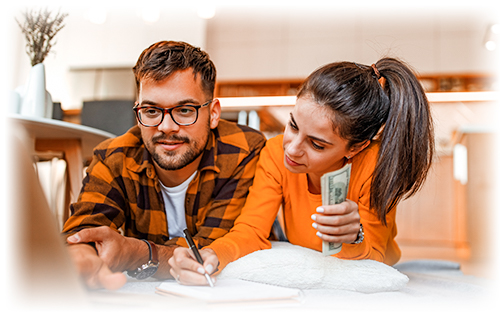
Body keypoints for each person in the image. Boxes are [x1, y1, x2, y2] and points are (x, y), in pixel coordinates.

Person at [169, 58, 434, 286]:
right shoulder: (275, 152)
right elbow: (251, 230)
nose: (292, 150)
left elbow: (376, 255)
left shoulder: (375, 164)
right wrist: (213, 255)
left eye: (317, 144)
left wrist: (355, 236)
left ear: (356, 147)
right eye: (293, 126)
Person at [62, 41, 266, 290]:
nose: (166, 127)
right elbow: (85, 229)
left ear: (213, 114)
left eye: (184, 110)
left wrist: (135, 252)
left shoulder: (243, 151)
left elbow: (211, 250)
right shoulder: (113, 156)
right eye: (150, 111)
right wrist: (83, 254)